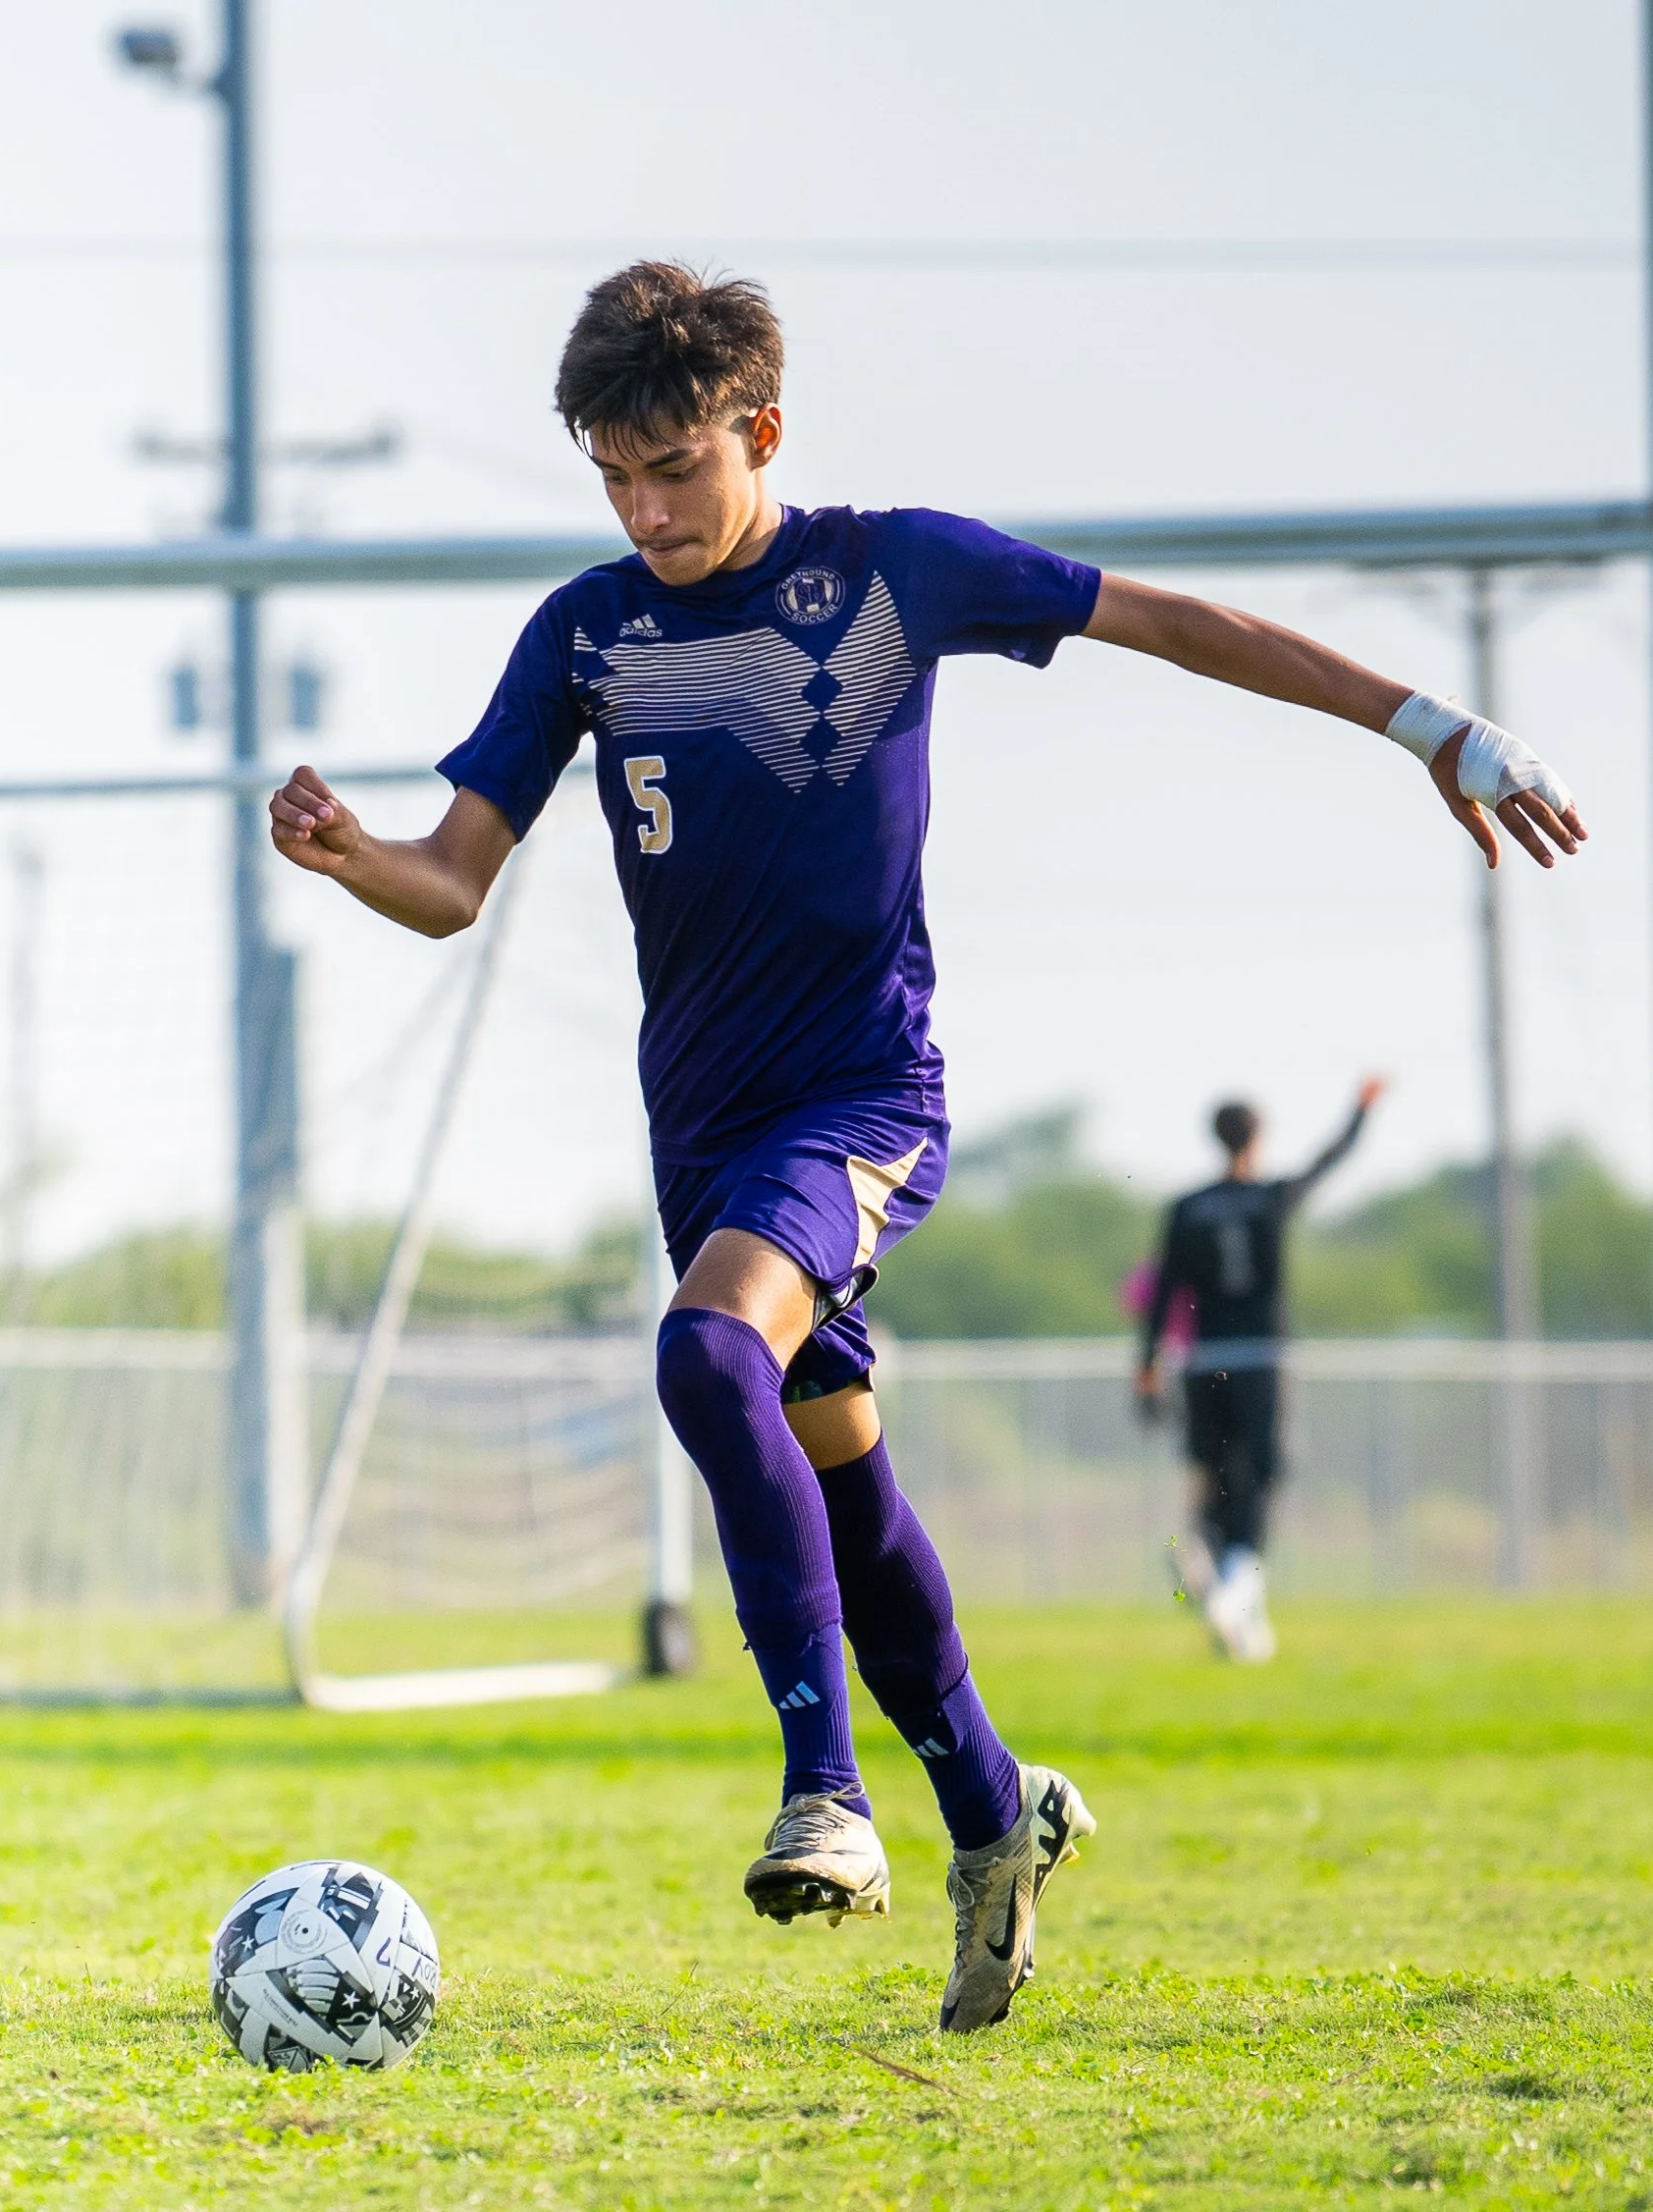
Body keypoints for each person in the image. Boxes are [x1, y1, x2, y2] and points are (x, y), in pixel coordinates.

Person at [266, 263, 1584, 2033]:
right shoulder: (586, 632)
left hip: (861, 1100)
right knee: (839, 1480)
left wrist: (1428, 722)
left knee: (706, 1352)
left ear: (761, 430)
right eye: (614, 477)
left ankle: (824, 1788)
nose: (645, 510)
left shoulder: (895, 574)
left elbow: (1171, 623)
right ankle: (995, 1806)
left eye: (674, 467)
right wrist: (352, 853)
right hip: (702, 1130)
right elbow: (450, 883)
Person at [1136, 1081, 1386, 1660]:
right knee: (1263, 1474)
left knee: (1216, 1471)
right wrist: (1361, 1111)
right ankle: (1233, 1582)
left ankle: (1216, 1570)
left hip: (1204, 1362)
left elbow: (1164, 1289)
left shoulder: (1188, 1207)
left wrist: (1147, 1362)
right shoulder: (1271, 1198)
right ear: (1258, 1137)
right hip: (1261, 1359)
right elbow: (1328, 1161)